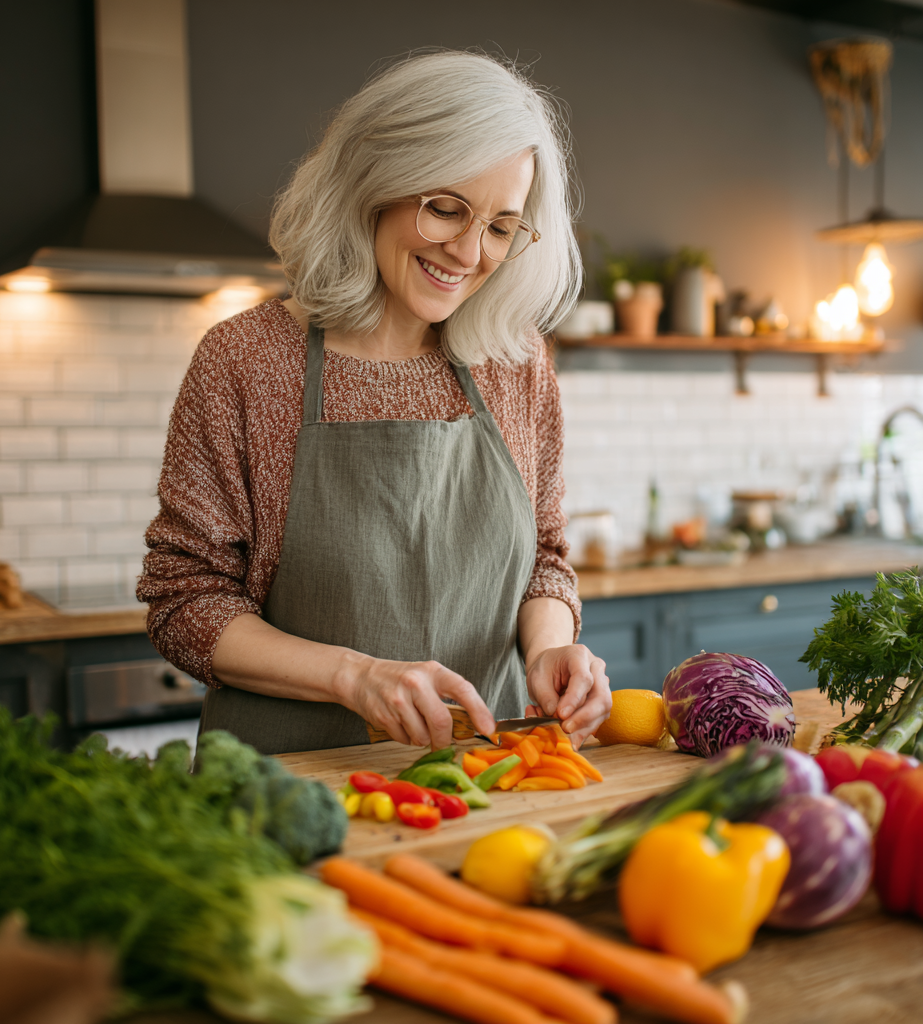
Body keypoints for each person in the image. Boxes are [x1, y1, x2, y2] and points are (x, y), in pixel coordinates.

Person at [137, 50, 612, 755]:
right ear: (375, 184)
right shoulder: (248, 360)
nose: (469, 253)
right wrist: (353, 677)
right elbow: (185, 601)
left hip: (486, 780)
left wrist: (549, 649)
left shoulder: (516, 364)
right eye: (446, 209)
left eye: (500, 227)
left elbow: (544, 557)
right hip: (286, 785)